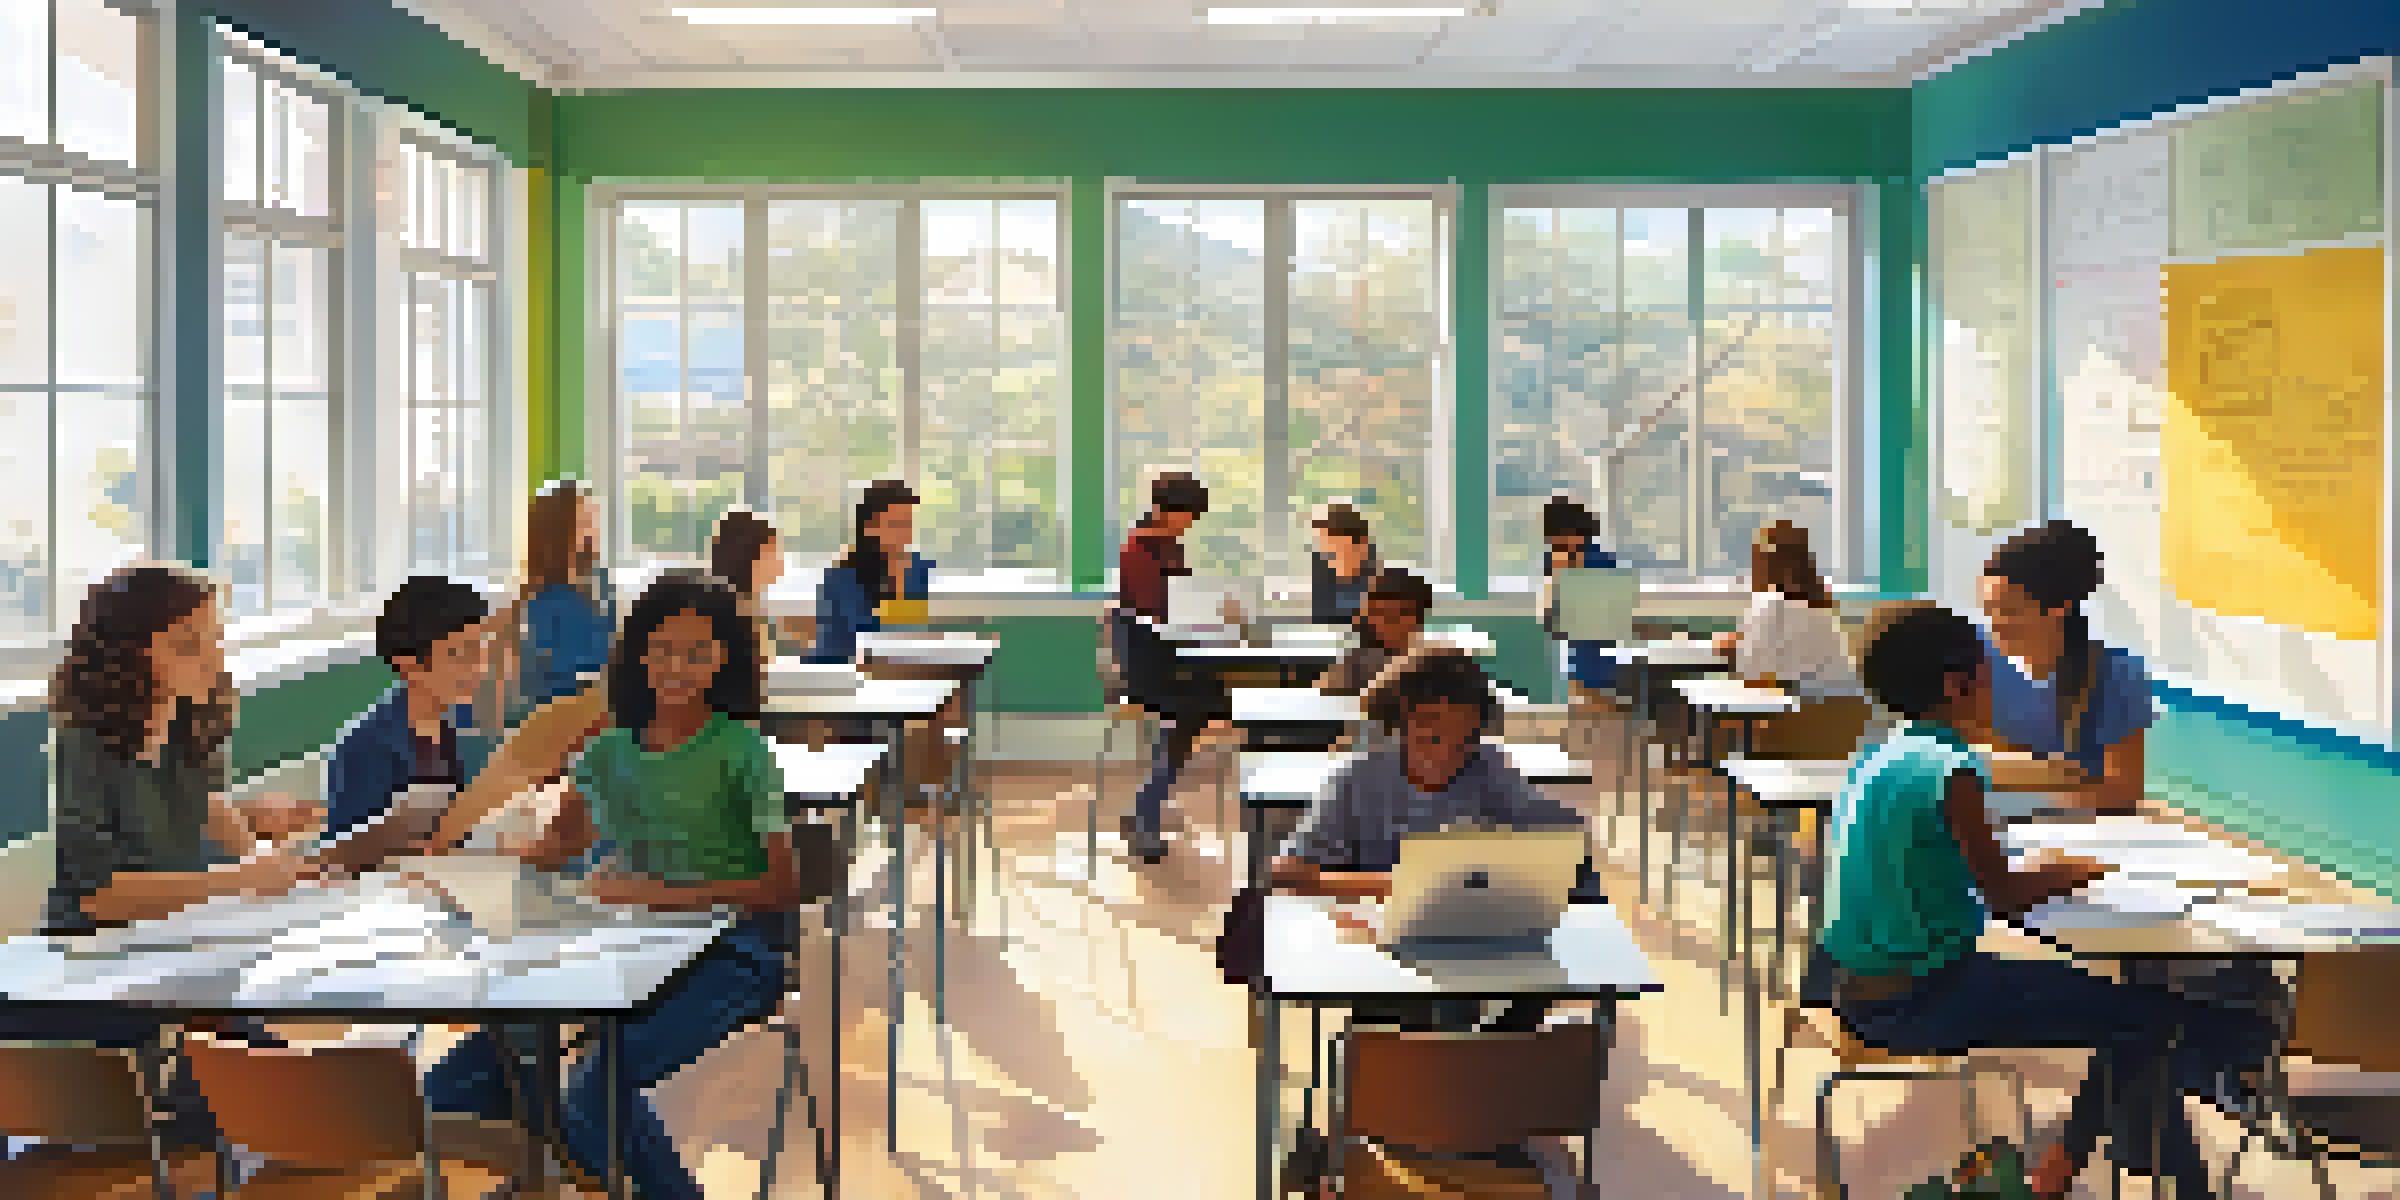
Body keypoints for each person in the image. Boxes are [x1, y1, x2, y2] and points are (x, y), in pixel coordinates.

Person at [1804, 601, 2274, 1200]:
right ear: (1957, 685)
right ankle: (2064, 1177)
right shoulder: (1951, 768)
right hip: (1923, 997)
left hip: (1859, 982)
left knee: (2132, 1016)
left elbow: (1964, 875)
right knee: (2148, 1020)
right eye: (1988, 668)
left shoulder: (1879, 755)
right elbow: (2005, 898)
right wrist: (2076, 871)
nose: (1998, 682)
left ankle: (2086, 1173)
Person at [420, 570, 797, 1200]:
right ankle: (553, 1174)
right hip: (629, 948)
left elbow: (777, 884)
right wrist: (471, 863)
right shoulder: (607, 749)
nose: (678, 666)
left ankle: (584, 1175)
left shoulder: (741, 751)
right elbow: (559, 846)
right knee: (465, 1079)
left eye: (698, 652)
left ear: (724, 659)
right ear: (638, 653)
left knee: (601, 1085)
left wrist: (655, 894)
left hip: (736, 955)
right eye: (663, 649)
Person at [16, 565, 312, 1147]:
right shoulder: (85, 743)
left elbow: (206, 807)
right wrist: (244, 878)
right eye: (187, 644)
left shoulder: (186, 725)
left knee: (291, 1088)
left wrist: (265, 847)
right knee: (254, 1109)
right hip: (93, 974)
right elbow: (99, 897)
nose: (211, 658)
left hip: (165, 956)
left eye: (213, 638)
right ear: (130, 657)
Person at [1977, 520, 2153, 814]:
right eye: (1989, 610)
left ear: (2059, 607)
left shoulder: (2117, 673)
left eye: (2009, 612)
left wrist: (2024, 797)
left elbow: (2123, 791)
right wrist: (2042, 774)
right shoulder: (1976, 664)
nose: (1995, 625)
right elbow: (1948, 762)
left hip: (2078, 832)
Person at [324, 576, 498, 852]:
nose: (479, 667)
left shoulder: (468, 723)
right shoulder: (366, 747)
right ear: (409, 666)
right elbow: (344, 856)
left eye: (481, 649)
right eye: (461, 655)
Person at [1115, 470, 1235, 863]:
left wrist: (1217, 615)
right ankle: (1146, 812)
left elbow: (1182, 602)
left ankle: (1146, 809)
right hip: (1148, 664)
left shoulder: (1168, 545)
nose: (1191, 524)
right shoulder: (1140, 548)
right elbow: (1159, 608)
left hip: (1170, 655)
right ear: (1167, 510)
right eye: (1188, 515)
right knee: (1202, 708)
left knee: (1212, 702)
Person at [504, 479, 616, 721]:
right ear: (559, 526)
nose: (594, 527)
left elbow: (615, 643)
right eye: (585, 518)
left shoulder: (600, 579)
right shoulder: (537, 596)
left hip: (605, 703)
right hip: (557, 711)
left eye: (594, 517)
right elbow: (543, 675)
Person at [1712, 520, 1862, 700]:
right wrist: (1743, 643)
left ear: (1762, 563)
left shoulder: (1770, 604)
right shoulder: (1820, 607)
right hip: (1844, 714)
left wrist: (1736, 651)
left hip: (1800, 719)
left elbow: (1752, 679)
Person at [804, 480, 933, 666]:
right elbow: (867, 634)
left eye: (909, 524)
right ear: (870, 527)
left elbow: (915, 629)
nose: (906, 534)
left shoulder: (918, 568)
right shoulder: (843, 574)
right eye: (896, 524)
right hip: (836, 670)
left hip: (893, 670)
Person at [1540, 497, 1621, 702]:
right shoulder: (1555, 561)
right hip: (1574, 666)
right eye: (1552, 539)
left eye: (1560, 536)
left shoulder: (1600, 561)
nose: (1555, 543)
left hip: (1605, 664)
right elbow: (1552, 624)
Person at [711, 507, 810, 662]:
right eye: (773, 555)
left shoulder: (748, 606)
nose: (780, 566)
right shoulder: (729, 614)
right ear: (748, 557)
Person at [1309, 502, 1380, 626]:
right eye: (1324, 550)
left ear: (1362, 545)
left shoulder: (1380, 580)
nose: (1326, 556)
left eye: (1334, 550)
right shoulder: (1323, 577)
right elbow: (1323, 623)